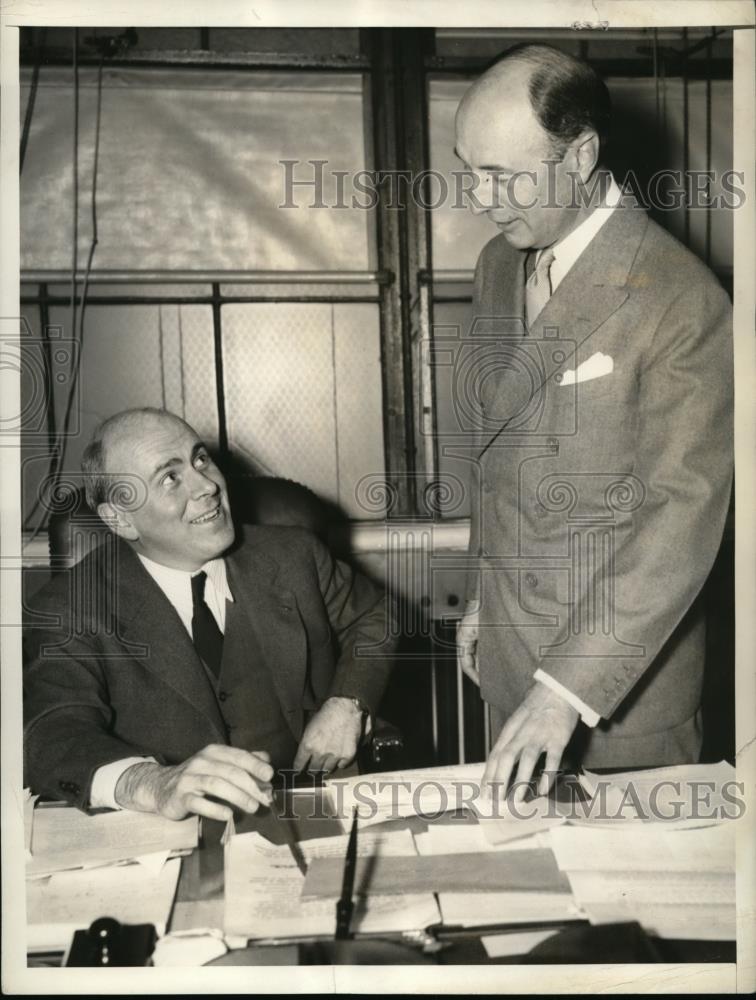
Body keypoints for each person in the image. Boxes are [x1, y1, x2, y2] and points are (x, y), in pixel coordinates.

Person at [453, 44, 733, 799]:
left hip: (612, 699)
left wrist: (564, 692)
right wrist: (481, 596)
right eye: (467, 169)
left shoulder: (683, 297)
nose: (480, 198)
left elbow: (683, 516)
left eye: (501, 175)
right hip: (508, 664)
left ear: (578, 156)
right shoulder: (497, 265)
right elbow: (495, 445)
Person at [23, 408, 396, 822]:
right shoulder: (69, 608)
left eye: (200, 459)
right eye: (170, 477)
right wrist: (148, 782)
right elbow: (49, 733)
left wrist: (349, 701)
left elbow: (376, 615)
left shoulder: (293, 555)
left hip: (313, 807)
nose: (207, 485)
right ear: (121, 519)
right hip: (170, 832)